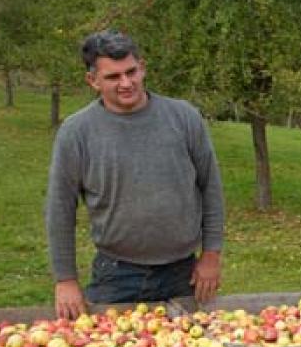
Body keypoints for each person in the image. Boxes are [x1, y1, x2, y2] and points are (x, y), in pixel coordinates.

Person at [45, 30, 225, 318]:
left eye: (131, 72)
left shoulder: (184, 117)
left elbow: (211, 189)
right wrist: (65, 279)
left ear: (142, 67)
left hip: (185, 274)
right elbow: (59, 209)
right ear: (93, 81)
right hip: (116, 275)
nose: (126, 83)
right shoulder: (76, 132)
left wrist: (212, 254)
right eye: (113, 77)